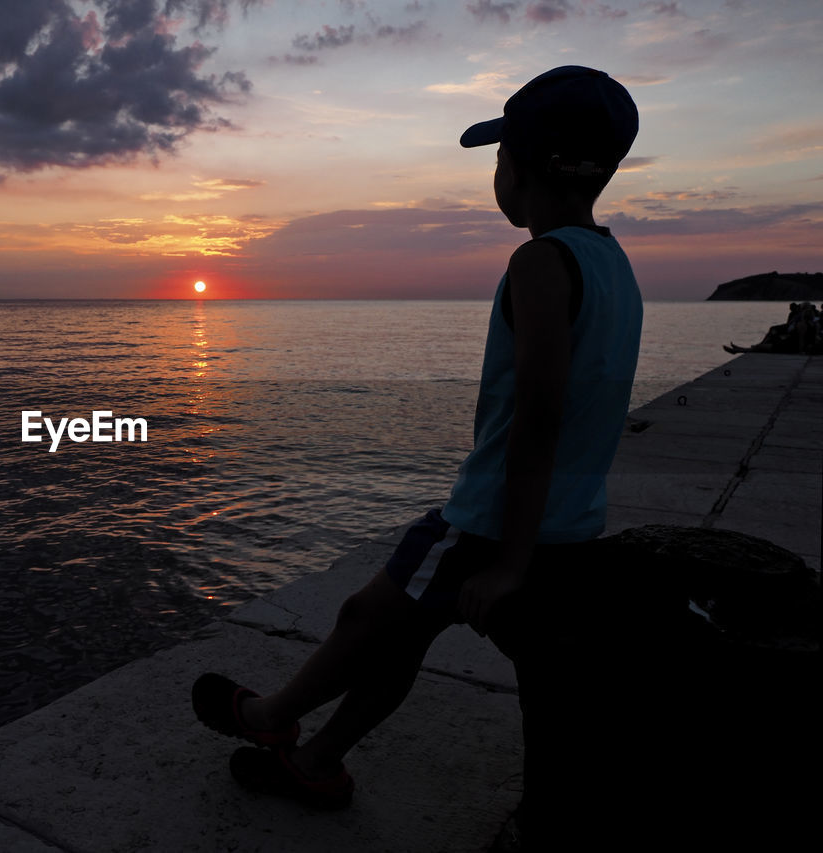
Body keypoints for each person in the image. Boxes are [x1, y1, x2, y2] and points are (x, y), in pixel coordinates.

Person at [192, 65, 643, 821]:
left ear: (525, 166)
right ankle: (315, 760)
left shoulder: (540, 261)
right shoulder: (613, 263)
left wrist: (510, 561)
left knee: (365, 619)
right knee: (400, 638)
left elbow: (538, 412)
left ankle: (272, 715)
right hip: (570, 518)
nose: (495, 174)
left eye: (500, 159)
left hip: (490, 523)